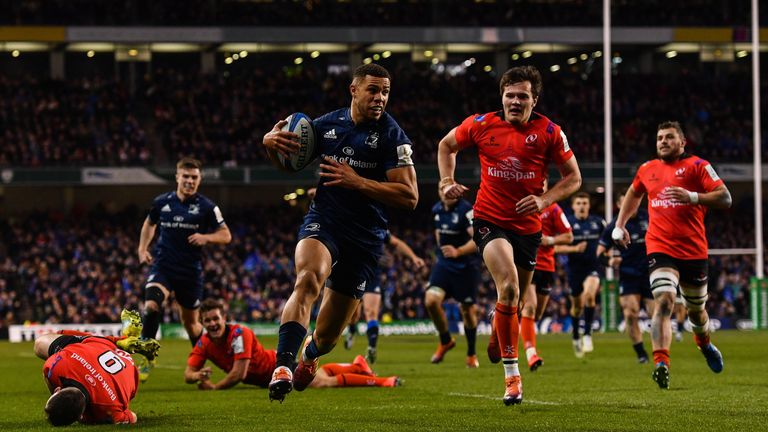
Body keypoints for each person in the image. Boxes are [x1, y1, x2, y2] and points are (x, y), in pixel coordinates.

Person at [261, 63, 418, 402]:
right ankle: (283, 365)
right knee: (307, 279)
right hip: (325, 221)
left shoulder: (392, 136)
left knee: (329, 337)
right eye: (373, 90)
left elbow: (410, 196)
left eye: (386, 92)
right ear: (354, 90)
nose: (380, 98)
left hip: (365, 238)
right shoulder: (326, 125)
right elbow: (288, 163)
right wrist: (270, 144)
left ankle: (310, 355)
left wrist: (357, 181)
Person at [437, 65, 582, 405]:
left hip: (529, 228)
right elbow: (446, 146)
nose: (515, 101)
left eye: (522, 96)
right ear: (501, 96)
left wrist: (545, 200)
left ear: (535, 99)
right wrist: (446, 181)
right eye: (510, 95)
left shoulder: (550, 132)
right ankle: (512, 376)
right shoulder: (482, 124)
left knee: (513, 303)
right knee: (510, 287)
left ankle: (499, 327)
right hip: (490, 220)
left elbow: (573, 178)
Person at [613, 120, 731, 389]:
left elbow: (725, 198)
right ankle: (661, 362)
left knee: (696, 312)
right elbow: (634, 193)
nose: (663, 142)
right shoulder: (647, 169)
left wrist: (693, 197)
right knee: (664, 300)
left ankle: (705, 344)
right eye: (659, 138)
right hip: (660, 247)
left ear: (682, 142)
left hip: (693, 250)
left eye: (668, 137)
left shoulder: (698, 166)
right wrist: (620, 224)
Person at [136, 157, 232, 379]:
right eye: (186, 176)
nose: (190, 181)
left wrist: (206, 237)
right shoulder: (161, 202)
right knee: (151, 306)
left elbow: (226, 235)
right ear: (177, 177)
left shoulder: (207, 207)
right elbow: (149, 224)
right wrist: (142, 249)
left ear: (199, 179)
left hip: (190, 273)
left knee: (191, 324)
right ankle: (147, 357)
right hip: (164, 267)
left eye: (194, 177)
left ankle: (198, 366)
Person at [185, 299, 400, 390]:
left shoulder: (240, 333)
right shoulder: (204, 343)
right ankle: (357, 366)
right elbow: (188, 373)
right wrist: (197, 376)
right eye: (208, 320)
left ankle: (380, 381)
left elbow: (238, 374)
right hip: (266, 378)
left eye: (216, 319)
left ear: (225, 318)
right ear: (202, 323)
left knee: (322, 383)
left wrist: (214, 387)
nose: (213, 324)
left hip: (279, 368)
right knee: (321, 374)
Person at [34, 327, 159, 426]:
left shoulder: (110, 412)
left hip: (128, 367)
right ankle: (116, 341)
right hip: (96, 347)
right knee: (40, 344)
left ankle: (117, 342)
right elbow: (48, 372)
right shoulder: (56, 365)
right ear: (57, 390)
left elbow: (133, 416)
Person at [512, 177, 573, 371]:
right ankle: (531, 354)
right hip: (526, 263)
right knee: (530, 307)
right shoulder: (520, 205)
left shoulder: (553, 209)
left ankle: (500, 324)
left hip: (547, 266)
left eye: (544, 181)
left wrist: (550, 241)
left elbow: (569, 236)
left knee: (535, 313)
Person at [345, 231, 425, 364]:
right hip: (354, 272)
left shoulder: (378, 227)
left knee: (371, 312)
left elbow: (397, 243)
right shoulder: (352, 223)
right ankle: (352, 329)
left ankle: (371, 347)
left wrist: (413, 257)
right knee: (354, 314)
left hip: (372, 275)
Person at [424, 186, 482, 368]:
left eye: (447, 189)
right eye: (441, 189)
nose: (444, 192)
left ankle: (471, 353)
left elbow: (478, 239)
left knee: (468, 310)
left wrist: (458, 251)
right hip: (444, 264)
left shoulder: (467, 211)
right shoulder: (436, 209)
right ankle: (445, 340)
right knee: (431, 300)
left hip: (466, 266)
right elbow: (438, 233)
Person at [597, 189, 654, 364]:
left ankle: (659, 352)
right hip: (628, 275)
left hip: (651, 273)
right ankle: (641, 353)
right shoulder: (614, 226)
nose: (631, 205)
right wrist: (611, 262)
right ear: (619, 205)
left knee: (656, 314)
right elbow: (600, 254)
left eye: (633, 202)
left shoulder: (650, 217)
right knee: (630, 314)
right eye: (625, 203)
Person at [558, 192, 605, 358]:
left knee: (590, 296)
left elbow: (607, 242)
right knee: (577, 307)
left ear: (589, 205)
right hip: (574, 270)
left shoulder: (598, 223)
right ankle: (576, 335)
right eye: (579, 203)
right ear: (573, 206)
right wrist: (574, 249)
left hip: (593, 267)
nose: (582, 206)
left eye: (585, 203)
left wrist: (609, 256)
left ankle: (587, 334)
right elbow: (555, 248)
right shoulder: (567, 224)